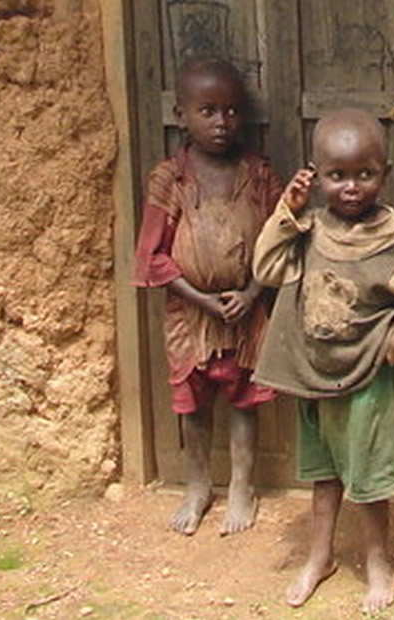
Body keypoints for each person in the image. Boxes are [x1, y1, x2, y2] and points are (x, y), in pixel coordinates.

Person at [252, 108, 394, 612]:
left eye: (365, 174)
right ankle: (319, 557)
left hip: (364, 378)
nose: (351, 187)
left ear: (385, 172)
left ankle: (378, 562)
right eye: (337, 175)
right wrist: (287, 211)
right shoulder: (308, 230)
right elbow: (267, 268)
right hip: (313, 373)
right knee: (324, 475)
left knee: (369, 481)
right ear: (317, 176)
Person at [133, 57, 282, 536]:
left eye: (232, 112)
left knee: (243, 399)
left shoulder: (259, 176)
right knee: (194, 404)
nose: (222, 123)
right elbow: (153, 254)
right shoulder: (171, 179)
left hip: (246, 309)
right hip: (190, 312)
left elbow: (283, 241)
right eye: (208, 111)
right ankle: (197, 485)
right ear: (182, 115)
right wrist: (201, 298)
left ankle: (242, 484)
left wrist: (253, 291)